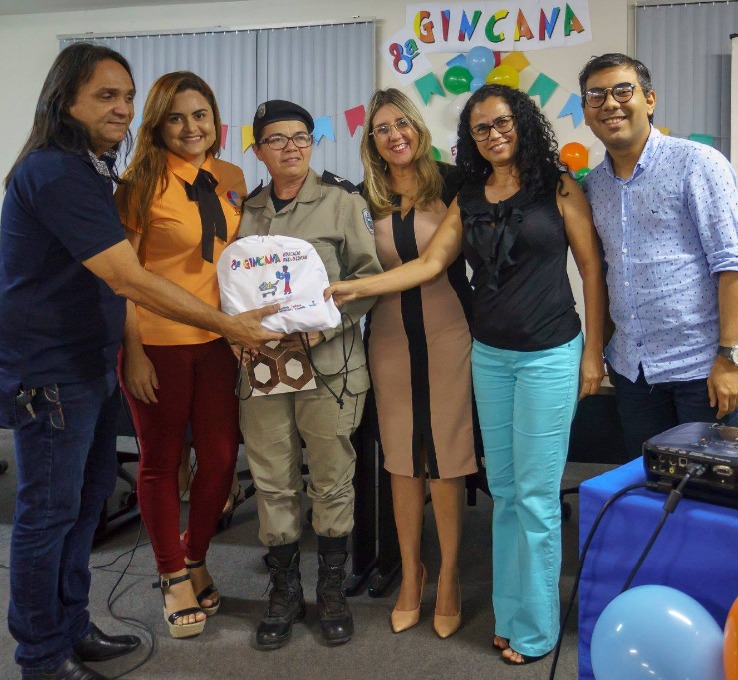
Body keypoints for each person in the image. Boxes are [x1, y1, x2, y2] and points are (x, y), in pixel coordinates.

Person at [0, 44, 280, 680]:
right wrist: (229, 326)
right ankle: (41, 655)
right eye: (105, 96)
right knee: (49, 517)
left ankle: (72, 627)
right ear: (65, 100)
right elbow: (129, 278)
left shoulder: (89, 168)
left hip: (86, 365)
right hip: (50, 374)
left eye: (125, 96)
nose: (120, 107)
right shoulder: (57, 173)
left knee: (84, 507)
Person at [328, 84, 607, 665]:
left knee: (535, 497)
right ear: (469, 138)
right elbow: (430, 263)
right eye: (481, 128)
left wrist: (593, 352)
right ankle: (510, 614)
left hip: (549, 352)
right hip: (490, 355)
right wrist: (355, 287)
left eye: (502, 123)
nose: (493, 134)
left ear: (522, 123)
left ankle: (536, 629)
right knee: (505, 492)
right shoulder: (471, 195)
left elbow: (590, 268)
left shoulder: (558, 187)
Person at [238, 99, 382, 650]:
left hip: (329, 366)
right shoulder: (246, 211)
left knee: (331, 478)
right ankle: (284, 592)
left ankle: (331, 591)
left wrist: (329, 325)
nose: (292, 147)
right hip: (264, 369)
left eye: (301, 136)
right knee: (272, 478)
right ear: (258, 150)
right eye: (277, 139)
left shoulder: (343, 203)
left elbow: (368, 281)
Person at [115, 71, 246, 638]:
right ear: (158, 124)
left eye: (200, 115)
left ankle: (195, 555)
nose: (191, 127)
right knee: (162, 461)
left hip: (217, 342)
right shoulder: (138, 184)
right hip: (157, 345)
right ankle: (171, 574)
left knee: (220, 459)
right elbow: (121, 278)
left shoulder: (232, 177)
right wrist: (133, 352)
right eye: (176, 117)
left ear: (214, 119)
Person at [578, 53, 738, 459]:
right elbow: (604, 274)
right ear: (587, 113)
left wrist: (730, 359)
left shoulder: (697, 163)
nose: (610, 103)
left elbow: (733, 264)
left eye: (623, 91)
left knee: (706, 486)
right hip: (633, 371)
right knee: (647, 481)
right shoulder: (594, 186)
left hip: (702, 369)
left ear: (649, 100)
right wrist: (598, 351)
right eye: (596, 96)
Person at [359, 88, 476, 638]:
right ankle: (412, 573)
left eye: (401, 123)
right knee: (401, 458)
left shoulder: (454, 182)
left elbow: (441, 262)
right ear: (372, 141)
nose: (394, 135)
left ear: (418, 127)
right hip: (388, 339)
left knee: (447, 456)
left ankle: (449, 575)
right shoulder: (364, 195)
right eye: (382, 128)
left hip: (450, 332)